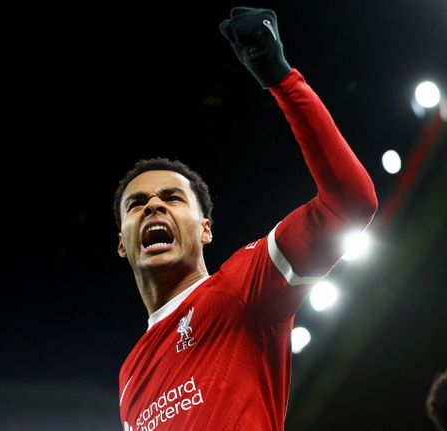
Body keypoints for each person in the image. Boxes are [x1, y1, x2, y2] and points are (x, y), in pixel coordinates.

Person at [113, 6, 378, 431]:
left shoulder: (241, 287)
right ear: (122, 244)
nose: (154, 206)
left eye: (173, 198)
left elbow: (349, 203)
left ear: (205, 229)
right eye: (136, 203)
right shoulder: (129, 376)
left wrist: (282, 79)